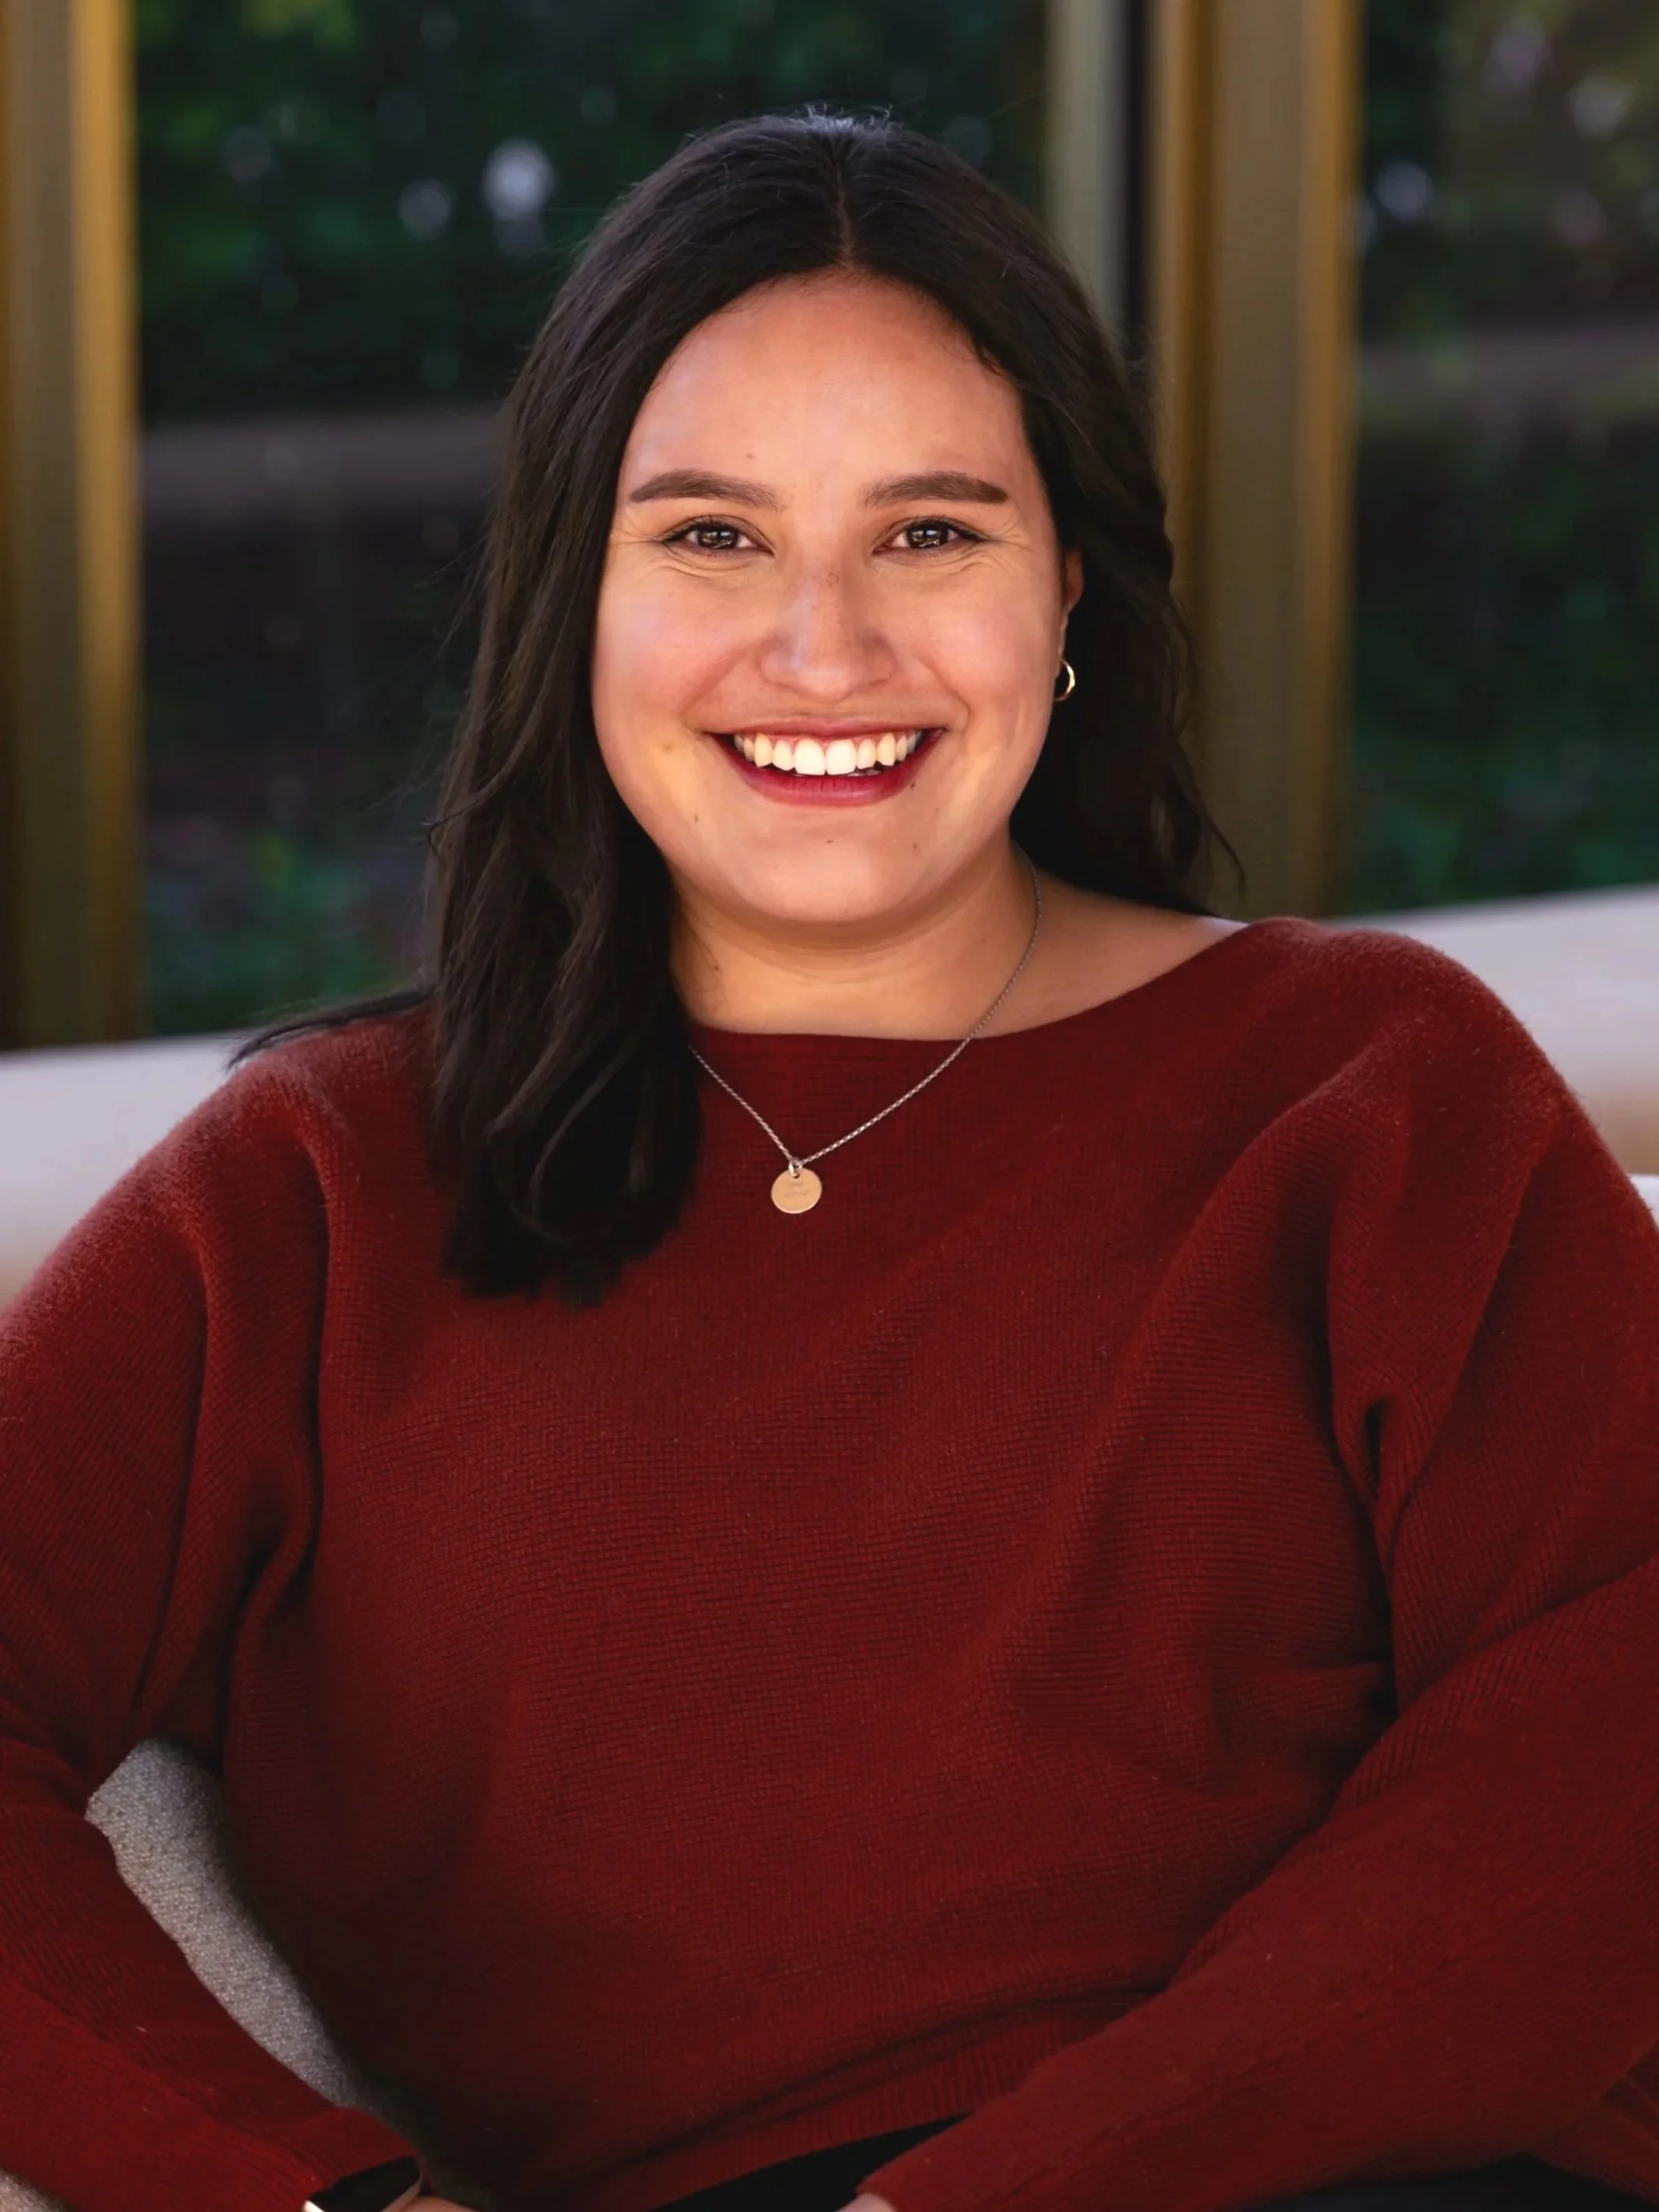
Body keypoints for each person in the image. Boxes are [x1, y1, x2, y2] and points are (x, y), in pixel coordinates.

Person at [2, 108, 1657, 2212]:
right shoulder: (309, 1197)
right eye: (709, 535)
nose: (823, 653)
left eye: (932, 531)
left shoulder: (1369, 1089)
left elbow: (1605, 1766)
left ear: (1071, 583)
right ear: (570, 600)